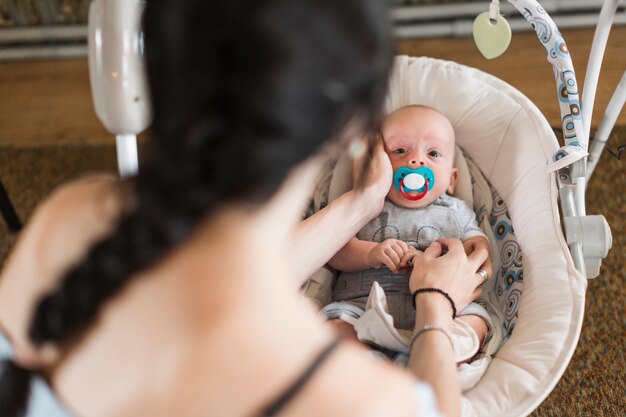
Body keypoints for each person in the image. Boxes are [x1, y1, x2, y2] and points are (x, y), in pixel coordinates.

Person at [0, 1, 488, 417]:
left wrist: (358, 204)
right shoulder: (353, 395)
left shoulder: (69, 218)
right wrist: (435, 303)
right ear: (353, 130)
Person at [324, 106, 495, 365]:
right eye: (400, 151)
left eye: (433, 153)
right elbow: (335, 251)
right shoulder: (363, 204)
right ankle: (368, 364)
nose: (416, 161)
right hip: (363, 308)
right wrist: (371, 254)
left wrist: (442, 258)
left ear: (452, 180)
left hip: (447, 312)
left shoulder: (456, 210)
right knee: (334, 324)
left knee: (477, 320)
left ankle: (448, 358)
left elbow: (478, 251)